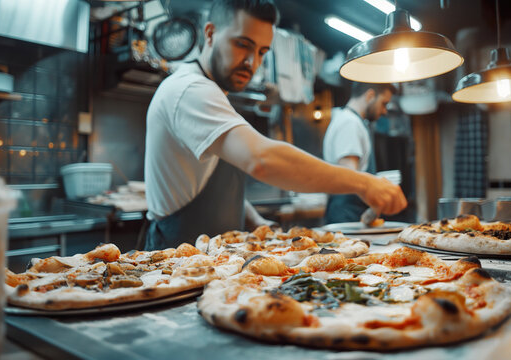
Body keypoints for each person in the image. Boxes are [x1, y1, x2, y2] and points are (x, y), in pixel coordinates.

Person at [144, 0, 406, 250]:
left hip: (212, 258)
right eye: (242, 45)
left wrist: (255, 220)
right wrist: (363, 183)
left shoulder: (212, 94)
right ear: (210, 33)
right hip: (177, 260)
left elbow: (202, 181)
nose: (252, 62)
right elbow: (262, 159)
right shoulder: (190, 90)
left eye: (261, 52)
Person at [322, 82, 397, 224]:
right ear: (370, 95)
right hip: (346, 213)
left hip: (351, 210)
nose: (384, 111)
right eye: (384, 103)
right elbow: (349, 177)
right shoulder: (349, 123)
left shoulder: (353, 121)